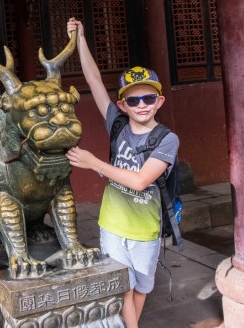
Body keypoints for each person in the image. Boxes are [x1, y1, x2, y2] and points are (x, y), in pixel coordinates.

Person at [64, 18, 179, 328]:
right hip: (113, 224)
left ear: (159, 101)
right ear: (122, 105)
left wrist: (94, 164)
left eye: (148, 98)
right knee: (123, 287)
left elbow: (142, 181)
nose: (141, 105)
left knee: (141, 287)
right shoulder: (117, 124)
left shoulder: (167, 139)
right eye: (133, 100)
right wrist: (80, 40)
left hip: (145, 228)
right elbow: (94, 81)